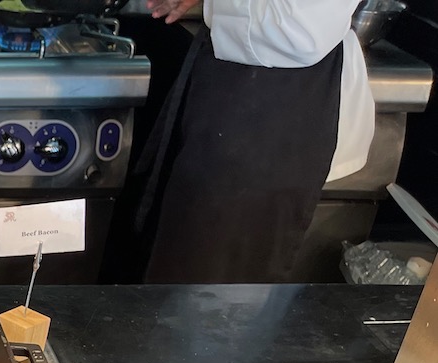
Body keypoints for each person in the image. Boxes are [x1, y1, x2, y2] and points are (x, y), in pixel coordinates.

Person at [123, 0, 375, 283]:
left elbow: (299, 32)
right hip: (222, 106)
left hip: (270, 122)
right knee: (171, 276)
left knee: (212, 299)